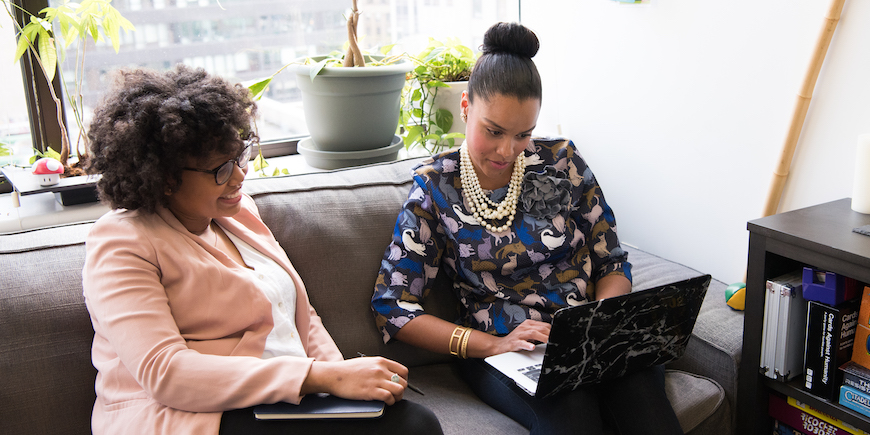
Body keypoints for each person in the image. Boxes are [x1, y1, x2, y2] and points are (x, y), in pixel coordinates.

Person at [83, 65, 442, 435]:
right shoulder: (122, 242)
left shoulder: (238, 213)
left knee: (411, 423)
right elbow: (166, 372)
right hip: (186, 416)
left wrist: (345, 387)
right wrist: (321, 377)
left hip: (275, 402)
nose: (240, 176)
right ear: (165, 177)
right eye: (220, 169)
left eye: (240, 157)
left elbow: (299, 315)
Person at [371, 22, 683, 435]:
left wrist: (601, 320)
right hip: (501, 352)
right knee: (571, 412)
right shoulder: (435, 187)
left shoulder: (562, 162)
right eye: (493, 131)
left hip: (586, 337)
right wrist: (494, 344)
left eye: (523, 134)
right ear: (466, 107)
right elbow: (392, 307)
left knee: (641, 392)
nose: (507, 150)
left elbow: (612, 261)